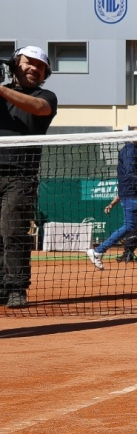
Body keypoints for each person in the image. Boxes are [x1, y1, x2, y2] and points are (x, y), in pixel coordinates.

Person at [0, 47, 57, 309]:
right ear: (14, 66)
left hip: (20, 174)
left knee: (13, 231)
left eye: (40, 66)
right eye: (28, 63)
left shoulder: (45, 95)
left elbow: (39, 108)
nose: (34, 68)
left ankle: (16, 288)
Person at [87, 130, 137, 269]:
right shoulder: (129, 151)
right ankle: (98, 251)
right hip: (133, 195)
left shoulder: (135, 151)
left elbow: (135, 173)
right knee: (130, 226)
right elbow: (130, 173)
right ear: (133, 138)